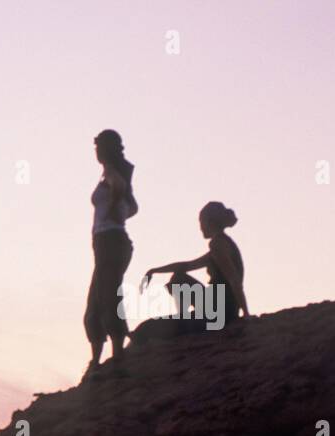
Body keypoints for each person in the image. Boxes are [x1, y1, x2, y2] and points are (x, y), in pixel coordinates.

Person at [83, 129, 139, 379]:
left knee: (107, 297)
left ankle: (117, 359)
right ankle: (96, 360)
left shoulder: (113, 173)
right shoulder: (110, 173)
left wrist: (115, 208)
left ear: (105, 149)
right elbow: (134, 207)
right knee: (96, 301)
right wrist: (120, 209)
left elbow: (120, 188)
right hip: (107, 242)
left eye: (98, 147)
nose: (95, 151)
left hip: (111, 241)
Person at [141, 202, 248, 327]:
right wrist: (154, 270)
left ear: (210, 222)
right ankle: (184, 318)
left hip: (220, 310)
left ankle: (183, 318)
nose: (200, 227)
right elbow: (186, 265)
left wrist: (246, 313)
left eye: (201, 222)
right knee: (178, 277)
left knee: (177, 279)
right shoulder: (220, 244)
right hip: (223, 309)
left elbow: (234, 279)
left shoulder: (217, 244)